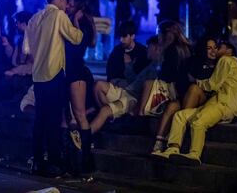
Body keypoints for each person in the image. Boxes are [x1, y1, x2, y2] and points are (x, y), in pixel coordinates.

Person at [153, 41, 237, 166]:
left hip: (225, 104)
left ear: (229, 50)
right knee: (180, 115)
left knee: (198, 122)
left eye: (219, 47)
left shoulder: (226, 60)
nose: (216, 50)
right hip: (217, 102)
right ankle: (172, 149)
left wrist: (196, 81)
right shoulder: (230, 63)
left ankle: (194, 154)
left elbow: (213, 84)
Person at [23, 0, 83, 177]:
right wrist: (77, 22)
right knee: (54, 121)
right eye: (65, 0)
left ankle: (37, 162)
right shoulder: (59, 16)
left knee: (40, 120)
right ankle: (55, 163)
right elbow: (76, 38)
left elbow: (26, 50)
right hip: (54, 74)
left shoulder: (34, 19)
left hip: (38, 75)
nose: (66, 5)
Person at [138, 20, 191, 153]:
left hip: (179, 92)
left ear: (164, 34)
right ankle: (158, 141)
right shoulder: (185, 48)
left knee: (149, 85)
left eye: (158, 33)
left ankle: (142, 115)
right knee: (169, 106)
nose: (157, 37)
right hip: (182, 91)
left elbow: (168, 75)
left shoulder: (171, 50)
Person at [90, 35, 162, 134]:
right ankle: (111, 118)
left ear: (156, 47)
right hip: (127, 91)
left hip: (132, 99)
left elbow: (146, 90)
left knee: (104, 111)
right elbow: (135, 81)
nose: (147, 50)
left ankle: (84, 139)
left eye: (149, 47)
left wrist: (139, 109)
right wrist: (128, 66)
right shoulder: (151, 64)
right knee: (98, 85)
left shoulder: (157, 68)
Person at [64, 0, 96, 173]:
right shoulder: (69, 21)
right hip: (66, 71)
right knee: (66, 116)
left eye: (71, 4)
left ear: (78, 8)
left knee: (79, 114)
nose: (68, 6)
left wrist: (75, 22)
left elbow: (79, 44)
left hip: (76, 71)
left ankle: (86, 161)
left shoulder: (83, 24)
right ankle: (69, 160)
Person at [105, 21, 150, 88]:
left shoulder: (142, 52)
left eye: (124, 36)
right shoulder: (117, 50)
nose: (121, 40)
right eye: (120, 37)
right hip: (116, 86)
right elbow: (110, 73)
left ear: (132, 36)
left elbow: (142, 78)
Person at [2, 11, 33, 98]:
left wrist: (14, 71)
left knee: (13, 81)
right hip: (18, 70)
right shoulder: (20, 38)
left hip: (27, 74)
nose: (15, 25)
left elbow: (32, 65)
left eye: (17, 23)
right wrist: (7, 45)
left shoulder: (33, 40)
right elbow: (14, 59)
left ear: (23, 24)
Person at [183, 37, 218, 109]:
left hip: (211, 99)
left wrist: (196, 80)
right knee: (173, 105)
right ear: (203, 50)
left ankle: (183, 118)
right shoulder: (195, 62)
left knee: (194, 88)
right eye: (209, 48)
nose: (213, 51)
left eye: (215, 47)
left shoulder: (220, 64)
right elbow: (188, 79)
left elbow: (211, 83)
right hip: (191, 96)